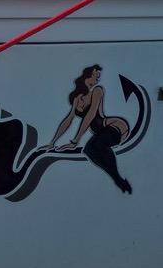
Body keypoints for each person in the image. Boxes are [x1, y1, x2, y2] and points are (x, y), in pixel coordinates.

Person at [43, 63, 133, 195]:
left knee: (98, 145)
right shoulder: (77, 98)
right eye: (96, 77)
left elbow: (90, 115)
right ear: (87, 77)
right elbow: (68, 119)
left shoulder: (97, 91)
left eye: (98, 78)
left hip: (116, 127)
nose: (97, 80)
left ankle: (117, 179)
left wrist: (75, 140)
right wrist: (52, 142)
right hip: (102, 131)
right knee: (89, 150)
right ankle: (117, 178)